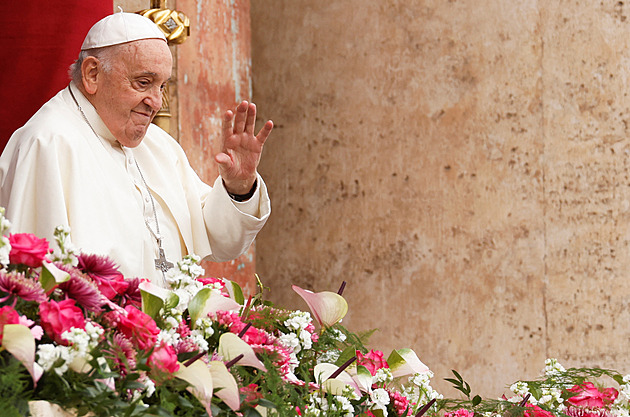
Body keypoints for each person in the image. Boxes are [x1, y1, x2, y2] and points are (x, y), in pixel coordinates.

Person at [0, 12, 273, 285]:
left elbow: (217, 237)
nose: (156, 102)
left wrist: (239, 186)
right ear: (92, 74)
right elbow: (33, 285)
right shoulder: (46, 143)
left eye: (163, 86)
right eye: (144, 82)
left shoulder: (159, 145)